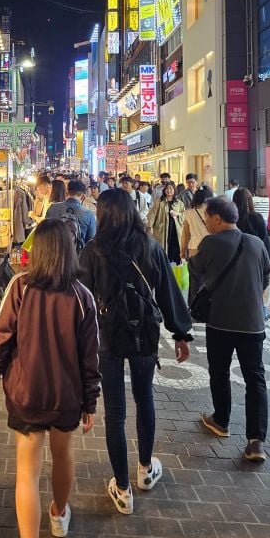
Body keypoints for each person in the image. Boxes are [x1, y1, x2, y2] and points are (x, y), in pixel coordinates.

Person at [0, 219, 100, 538]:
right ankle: (59, 513)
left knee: (27, 471)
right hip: (67, 397)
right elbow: (89, 356)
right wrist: (90, 401)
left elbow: (0, 339)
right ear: (68, 251)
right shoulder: (82, 296)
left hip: (26, 395)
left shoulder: (21, 288)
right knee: (63, 453)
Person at [79, 189, 192, 515]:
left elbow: (81, 302)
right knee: (145, 400)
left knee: (115, 413)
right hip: (144, 334)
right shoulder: (149, 247)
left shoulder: (92, 251)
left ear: (101, 214)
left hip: (107, 338)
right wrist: (181, 333)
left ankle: (122, 489)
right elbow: (169, 293)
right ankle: (144, 469)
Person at [189, 197, 270, 461]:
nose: (206, 223)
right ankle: (256, 442)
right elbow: (266, 275)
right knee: (255, 378)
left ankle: (221, 420)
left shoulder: (210, 243)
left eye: (207, 218)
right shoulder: (256, 243)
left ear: (216, 218)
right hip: (253, 324)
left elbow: (195, 269)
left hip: (221, 322)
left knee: (220, 371)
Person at [233, 187, 270, 321]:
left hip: (236, 262)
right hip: (256, 262)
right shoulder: (257, 218)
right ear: (250, 201)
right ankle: (260, 317)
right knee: (258, 290)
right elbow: (265, 242)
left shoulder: (232, 219)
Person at [180, 185, 214, 304]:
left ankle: (194, 307)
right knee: (211, 279)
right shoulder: (213, 212)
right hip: (212, 249)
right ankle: (210, 305)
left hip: (194, 250)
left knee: (195, 281)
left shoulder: (189, 213)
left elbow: (185, 235)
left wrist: (182, 251)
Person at [46, 180, 96, 246]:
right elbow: (91, 239)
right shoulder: (88, 214)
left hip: (56, 251)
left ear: (67, 191)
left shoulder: (53, 208)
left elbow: (46, 232)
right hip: (77, 254)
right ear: (83, 196)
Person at [147, 183, 185, 265]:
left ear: (174, 190)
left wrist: (177, 214)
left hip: (176, 229)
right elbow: (152, 214)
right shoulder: (159, 202)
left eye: (171, 189)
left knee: (175, 245)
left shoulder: (179, 203)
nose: (169, 191)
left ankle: (176, 264)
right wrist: (150, 226)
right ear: (164, 191)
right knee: (164, 246)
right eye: (167, 189)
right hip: (162, 229)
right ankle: (165, 264)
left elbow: (184, 215)